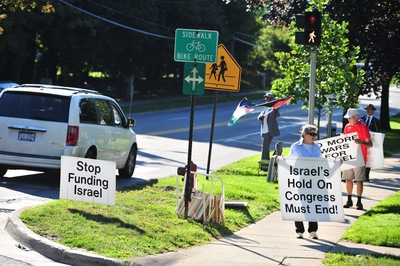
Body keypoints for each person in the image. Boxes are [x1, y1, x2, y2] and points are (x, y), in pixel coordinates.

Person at [288, 124, 321, 239]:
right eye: (311, 134)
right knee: (299, 204)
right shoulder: (296, 147)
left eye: (315, 134)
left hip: (313, 181)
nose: (314, 136)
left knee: (312, 204)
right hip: (299, 180)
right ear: (304, 135)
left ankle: (312, 231)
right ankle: (299, 230)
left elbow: (321, 162)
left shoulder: (317, 147)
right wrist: (280, 161)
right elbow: (290, 161)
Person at [342, 108, 373, 210]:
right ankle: (349, 199)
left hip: (360, 157)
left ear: (356, 117)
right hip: (349, 157)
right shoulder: (347, 126)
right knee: (348, 179)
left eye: (350, 118)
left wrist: (361, 142)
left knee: (359, 180)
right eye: (348, 118)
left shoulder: (363, 127)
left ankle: (359, 201)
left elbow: (370, 144)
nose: (348, 120)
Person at [360, 104, 380, 181]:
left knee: (369, 158)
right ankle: (361, 174)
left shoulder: (376, 121)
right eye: (367, 109)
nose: (368, 111)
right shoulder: (362, 119)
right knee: (361, 157)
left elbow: (378, 132)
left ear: (373, 111)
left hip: (370, 141)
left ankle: (366, 175)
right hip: (362, 141)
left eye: (370, 109)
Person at [258, 92, 280, 161]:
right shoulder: (264, 107)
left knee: (265, 147)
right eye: (266, 97)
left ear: (271, 99)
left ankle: (264, 163)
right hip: (264, 130)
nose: (267, 99)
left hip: (269, 130)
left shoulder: (274, 107)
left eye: (268, 98)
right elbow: (259, 116)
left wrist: (275, 111)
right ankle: (266, 162)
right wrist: (260, 117)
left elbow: (277, 114)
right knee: (265, 147)